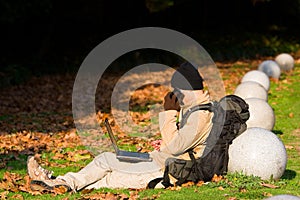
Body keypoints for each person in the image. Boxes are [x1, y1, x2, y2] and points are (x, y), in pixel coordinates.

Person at [27, 62, 214, 192]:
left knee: (106, 162)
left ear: (185, 90)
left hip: (164, 173)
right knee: (105, 172)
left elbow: (176, 146)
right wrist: (164, 145)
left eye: (177, 91)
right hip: (163, 166)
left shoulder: (199, 115)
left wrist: (169, 113)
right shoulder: (196, 110)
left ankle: (57, 183)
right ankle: (57, 183)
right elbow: (181, 144)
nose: (175, 95)